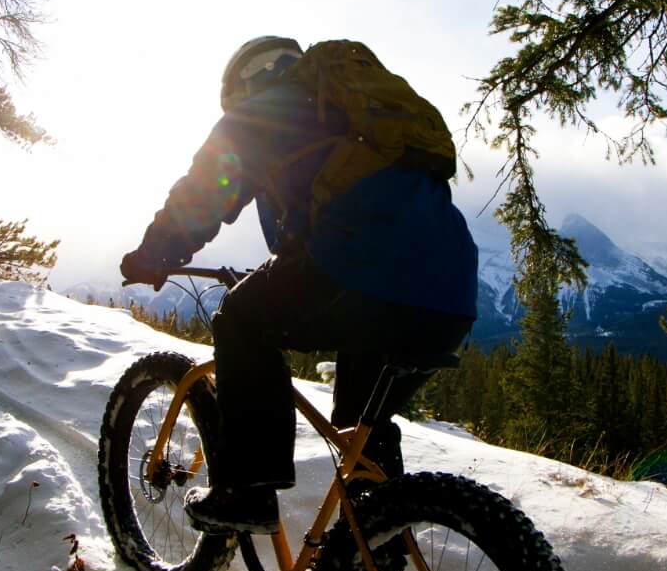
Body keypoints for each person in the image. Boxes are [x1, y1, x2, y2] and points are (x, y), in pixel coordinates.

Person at [120, 35, 479, 535]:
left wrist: (150, 256)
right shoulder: (347, 111)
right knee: (361, 430)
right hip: (450, 293)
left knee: (242, 319)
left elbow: (201, 196)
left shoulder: (261, 112)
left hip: (357, 272)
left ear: (240, 86)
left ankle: (247, 490)